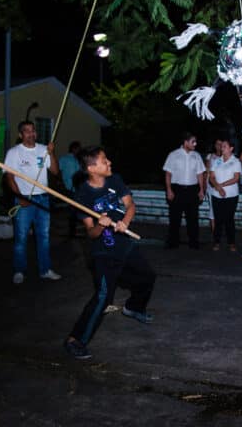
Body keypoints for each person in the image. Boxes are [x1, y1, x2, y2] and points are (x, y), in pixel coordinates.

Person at [63, 146, 156, 360]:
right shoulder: (83, 196)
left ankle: (133, 307)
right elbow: (91, 233)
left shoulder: (115, 180)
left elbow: (130, 205)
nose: (109, 162)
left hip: (126, 245)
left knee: (147, 277)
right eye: (105, 161)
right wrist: (100, 224)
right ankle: (75, 340)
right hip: (104, 252)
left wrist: (124, 221)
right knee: (104, 296)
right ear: (92, 168)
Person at [4, 120, 61, 284]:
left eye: (33, 130)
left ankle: (45, 270)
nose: (31, 133)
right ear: (20, 134)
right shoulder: (14, 152)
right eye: (27, 131)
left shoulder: (44, 149)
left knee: (43, 236)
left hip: (43, 198)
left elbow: (55, 171)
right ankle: (19, 270)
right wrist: (20, 197)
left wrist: (51, 153)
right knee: (21, 237)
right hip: (24, 200)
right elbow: (9, 177)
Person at [163, 132, 206, 249]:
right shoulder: (173, 155)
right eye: (193, 141)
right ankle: (173, 242)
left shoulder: (196, 156)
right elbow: (168, 174)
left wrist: (201, 190)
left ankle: (193, 242)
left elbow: (200, 174)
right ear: (185, 142)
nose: (195, 144)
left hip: (192, 190)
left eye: (195, 141)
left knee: (193, 218)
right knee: (175, 217)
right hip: (177, 189)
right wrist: (169, 190)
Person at [208, 138, 242, 252]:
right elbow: (211, 177)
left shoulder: (236, 161)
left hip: (231, 195)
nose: (221, 148)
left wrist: (221, 185)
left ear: (231, 148)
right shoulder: (217, 161)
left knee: (229, 219)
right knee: (217, 220)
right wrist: (217, 186)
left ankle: (231, 243)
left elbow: (236, 178)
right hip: (216, 195)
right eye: (221, 146)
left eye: (224, 146)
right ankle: (216, 242)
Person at [59, 140, 83, 237]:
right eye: (78, 148)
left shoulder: (79, 160)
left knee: (78, 209)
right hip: (69, 188)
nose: (79, 150)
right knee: (73, 209)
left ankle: (77, 229)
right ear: (73, 148)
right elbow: (58, 171)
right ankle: (72, 232)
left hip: (79, 188)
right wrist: (60, 184)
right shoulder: (64, 159)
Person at [205, 138, 223, 235]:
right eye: (217, 144)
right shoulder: (210, 156)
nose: (219, 146)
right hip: (211, 186)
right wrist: (203, 187)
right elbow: (206, 172)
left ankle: (219, 229)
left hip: (223, 186)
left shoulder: (226, 157)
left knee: (221, 208)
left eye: (221, 144)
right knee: (213, 207)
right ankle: (214, 231)